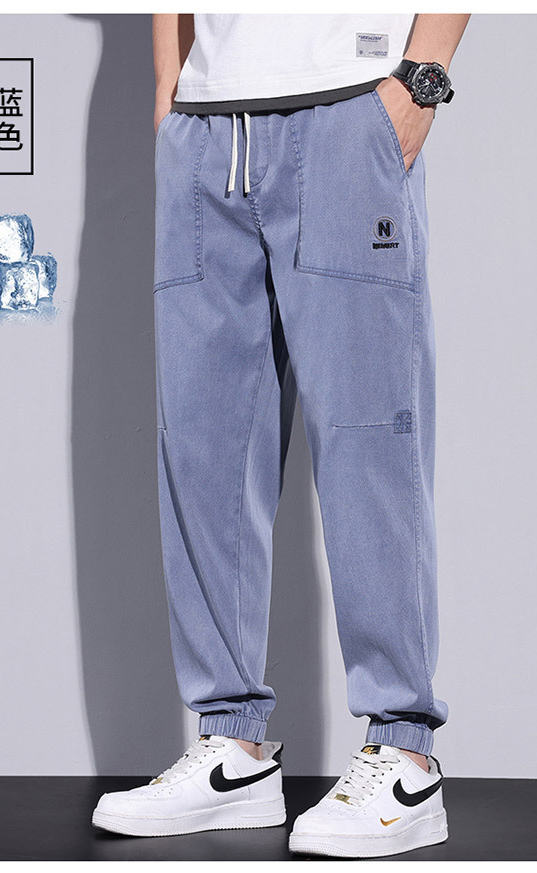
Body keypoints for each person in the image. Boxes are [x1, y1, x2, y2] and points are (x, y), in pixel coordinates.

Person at [92, 12, 470, 859]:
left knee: (371, 434)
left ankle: (405, 750)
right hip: (205, 123)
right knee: (204, 445)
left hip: (350, 103)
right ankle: (232, 747)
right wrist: (170, 92)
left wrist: (420, 82)